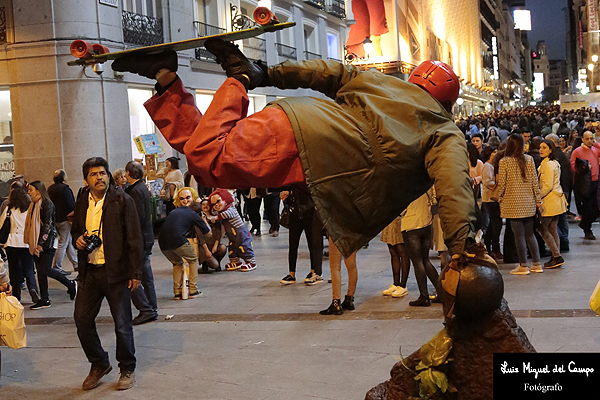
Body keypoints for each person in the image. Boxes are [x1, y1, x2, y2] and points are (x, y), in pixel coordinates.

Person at [111, 41, 477, 265]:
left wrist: (268, 73)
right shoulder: (444, 131)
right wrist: (462, 249)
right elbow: (454, 188)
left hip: (300, 123)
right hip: (308, 147)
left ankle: (164, 77)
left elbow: (326, 71)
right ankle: (234, 76)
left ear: (415, 80)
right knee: (208, 160)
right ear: (447, 103)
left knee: (200, 148)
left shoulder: (383, 82)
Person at [72, 157, 144, 391]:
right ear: (86, 179)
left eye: (102, 173)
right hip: (90, 271)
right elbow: (75, 230)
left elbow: (135, 238)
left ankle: (127, 368)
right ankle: (99, 363)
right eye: (94, 174)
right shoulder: (82, 200)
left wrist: (135, 272)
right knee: (82, 320)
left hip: (116, 272)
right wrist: (78, 239)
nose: (99, 177)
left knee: (122, 324)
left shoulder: (122, 200)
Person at [25, 181, 76, 309]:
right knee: (41, 272)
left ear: (38, 190)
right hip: (35, 243)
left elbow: (48, 225)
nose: (29, 193)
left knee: (46, 269)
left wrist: (41, 243)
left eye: (31, 190)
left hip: (47, 243)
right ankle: (45, 299)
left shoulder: (47, 204)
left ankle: (70, 284)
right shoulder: (33, 205)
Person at [497, 135, 542, 275]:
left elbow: (502, 184)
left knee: (519, 236)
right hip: (528, 202)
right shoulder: (529, 160)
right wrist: (538, 200)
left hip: (512, 203)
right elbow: (535, 181)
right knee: (530, 234)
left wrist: (499, 197)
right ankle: (536, 264)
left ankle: (523, 265)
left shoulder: (504, 161)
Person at [124, 161, 159, 325]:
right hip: (145, 237)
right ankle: (151, 307)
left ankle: (147, 309)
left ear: (128, 173)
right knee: (146, 275)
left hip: (140, 238)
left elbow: (135, 217)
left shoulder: (136, 191)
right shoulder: (140, 188)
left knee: (134, 273)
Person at [158, 197, 209, 300]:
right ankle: (193, 290)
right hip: (178, 240)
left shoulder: (176, 210)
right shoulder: (195, 215)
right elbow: (208, 233)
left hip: (162, 242)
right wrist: (204, 220)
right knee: (193, 259)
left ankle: (177, 293)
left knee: (177, 263)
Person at [0, 181, 39, 303]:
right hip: (26, 242)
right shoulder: (30, 208)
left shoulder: (9, 209)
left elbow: (1, 225)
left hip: (12, 242)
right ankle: (33, 288)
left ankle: (16, 295)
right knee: (28, 267)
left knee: (14, 269)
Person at [401, 190, 441, 307]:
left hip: (411, 225)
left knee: (417, 262)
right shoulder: (425, 183)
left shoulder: (407, 184)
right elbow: (434, 200)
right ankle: (442, 292)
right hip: (426, 222)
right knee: (425, 260)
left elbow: (401, 208)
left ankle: (424, 296)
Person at [278, 188, 324, 285]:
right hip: (295, 211)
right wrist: (286, 195)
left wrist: (290, 192)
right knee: (293, 243)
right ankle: (292, 274)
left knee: (313, 243)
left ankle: (314, 271)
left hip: (310, 211)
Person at [208, 189, 256, 272]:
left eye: (218, 201)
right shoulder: (222, 211)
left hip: (242, 235)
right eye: (213, 204)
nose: (216, 205)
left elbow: (225, 215)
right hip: (233, 237)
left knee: (245, 248)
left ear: (226, 200)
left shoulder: (231, 209)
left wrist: (215, 217)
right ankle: (235, 262)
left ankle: (251, 262)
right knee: (232, 249)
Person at [537, 139, 566, 269]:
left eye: (544, 147)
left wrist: (537, 198)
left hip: (549, 200)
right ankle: (556, 255)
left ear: (550, 150)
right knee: (552, 229)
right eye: (540, 147)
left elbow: (547, 186)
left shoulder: (548, 165)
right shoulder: (554, 163)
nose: (541, 149)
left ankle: (556, 255)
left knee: (543, 229)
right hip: (556, 200)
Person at [570, 131, 600, 240]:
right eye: (587, 139)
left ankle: (585, 224)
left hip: (595, 181)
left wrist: (596, 143)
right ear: (582, 139)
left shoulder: (595, 150)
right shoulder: (577, 151)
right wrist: (585, 168)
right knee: (587, 207)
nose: (589, 141)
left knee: (595, 208)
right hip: (584, 183)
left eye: (591, 138)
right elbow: (573, 166)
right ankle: (587, 229)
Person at [47, 169, 78, 275]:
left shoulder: (50, 189)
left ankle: (76, 264)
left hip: (55, 219)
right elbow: (70, 204)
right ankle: (57, 266)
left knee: (67, 241)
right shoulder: (65, 188)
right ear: (64, 178)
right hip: (65, 219)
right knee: (63, 243)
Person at [320, 236, 358, 315]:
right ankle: (349, 299)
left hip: (336, 232)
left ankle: (336, 303)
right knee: (352, 266)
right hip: (352, 232)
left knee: (335, 267)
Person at [481, 146, 502, 261]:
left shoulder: (492, 166)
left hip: (492, 199)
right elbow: (487, 182)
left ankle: (492, 248)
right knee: (494, 225)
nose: (496, 154)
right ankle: (493, 249)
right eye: (494, 152)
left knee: (493, 225)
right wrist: (498, 183)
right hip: (489, 199)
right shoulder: (487, 166)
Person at [380, 216, 409, 298]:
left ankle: (403, 285)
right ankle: (396, 283)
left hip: (400, 218)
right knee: (393, 251)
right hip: (389, 218)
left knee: (402, 251)